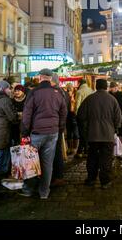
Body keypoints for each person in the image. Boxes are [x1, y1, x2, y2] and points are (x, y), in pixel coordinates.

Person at [20, 69, 67, 199]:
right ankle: (44, 192)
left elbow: (27, 114)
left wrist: (24, 132)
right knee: (47, 164)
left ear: (40, 77)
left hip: (37, 132)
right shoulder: (58, 93)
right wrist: (60, 129)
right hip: (52, 133)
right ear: (50, 78)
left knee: (30, 162)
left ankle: (28, 190)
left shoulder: (34, 92)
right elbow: (63, 113)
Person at [77, 79, 122, 189]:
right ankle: (105, 181)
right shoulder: (112, 100)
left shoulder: (89, 99)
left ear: (96, 87)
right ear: (106, 87)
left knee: (92, 157)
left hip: (92, 135)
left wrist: (86, 128)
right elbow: (118, 118)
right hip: (108, 135)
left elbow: (80, 116)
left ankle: (91, 179)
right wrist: (114, 129)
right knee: (106, 158)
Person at [51, 73, 70, 187]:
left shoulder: (57, 92)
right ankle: (57, 175)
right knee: (57, 150)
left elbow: (62, 111)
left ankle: (57, 176)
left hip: (56, 125)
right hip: (59, 125)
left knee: (56, 151)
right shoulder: (63, 92)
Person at [75, 78, 94, 158]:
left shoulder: (79, 92)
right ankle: (82, 150)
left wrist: (76, 115)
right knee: (87, 133)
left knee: (82, 133)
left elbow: (77, 106)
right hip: (91, 116)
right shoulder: (91, 91)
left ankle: (84, 151)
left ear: (79, 83)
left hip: (82, 116)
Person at [66, 86, 79, 155]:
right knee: (69, 133)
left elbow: (76, 106)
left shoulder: (76, 96)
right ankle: (69, 148)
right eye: (68, 90)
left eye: (70, 90)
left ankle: (74, 148)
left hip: (74, 116)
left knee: (75, 133)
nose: (69, 91)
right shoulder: (66, 96)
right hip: (68, 116)